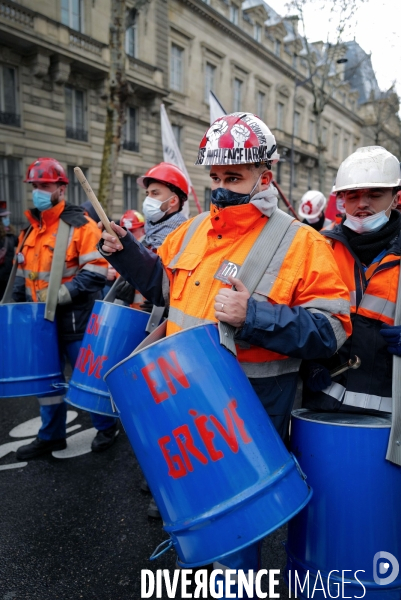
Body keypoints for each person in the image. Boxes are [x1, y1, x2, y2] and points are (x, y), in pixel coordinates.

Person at [98, 112, 351, 590]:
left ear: (264, 176)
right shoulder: (191, 231)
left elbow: (332, 331)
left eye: (233, 177)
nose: (221, 187)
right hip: (180, 397)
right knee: (194, 510)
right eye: (214, 177)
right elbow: (165, 289)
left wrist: (251, 315)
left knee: (236, 522)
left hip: (248, 405)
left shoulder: (303, 243)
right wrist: (125, 253)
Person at [12, 157, 119, 460]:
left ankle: (106, 428)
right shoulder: (30, 229)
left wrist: (56, 296)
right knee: (48, 385)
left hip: (75, 320)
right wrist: (19, 304)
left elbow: (95, 273)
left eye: (44, 185)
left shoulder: (81, 225)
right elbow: (22, 276)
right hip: (40, 323)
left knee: (89, 379)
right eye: (34, 186)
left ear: (61, 188)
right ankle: (51, 436)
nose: (38, 191)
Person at [302, 146, 401, 414]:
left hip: (391, 425)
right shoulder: (319, 247)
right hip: (324, 411)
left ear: (396, 198)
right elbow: (296, 315)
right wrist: (306, 364)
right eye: (353, 195)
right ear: (341, 199)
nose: (362, 204)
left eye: (375, 195)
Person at [0, 202, 18, 300]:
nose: (7, 219)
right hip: (3, 275)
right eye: (4, 218)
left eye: (7, 217)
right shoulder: (6, 236)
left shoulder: (10, 234)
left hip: (8, 275)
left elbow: (19, 242)